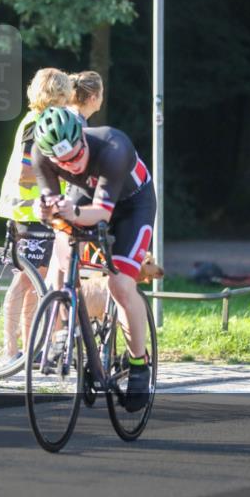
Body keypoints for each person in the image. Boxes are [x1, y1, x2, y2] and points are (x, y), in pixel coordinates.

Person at [31, 106, 156, 412]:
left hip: (131, 205)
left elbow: (102, 213)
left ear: (83, 139)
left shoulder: (114, 147)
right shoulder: (40, 154)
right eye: (63, 162)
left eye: (76, 156)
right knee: (62, 249)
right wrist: (44, 209)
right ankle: (63, 329)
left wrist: (69, 212)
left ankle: (139, 363)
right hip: (84, 196)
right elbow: (50, 204)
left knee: (120, 286)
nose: (72, 166)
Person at [0, 68, 73, 361]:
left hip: (38, 215)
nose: (67, 103)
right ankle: (10, 349)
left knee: (34, 283)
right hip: (27, 214)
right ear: (57, 95)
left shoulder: (41, 120)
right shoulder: (36, 123)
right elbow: (28, 171)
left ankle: (28, 349)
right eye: (65, 96)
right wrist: (62, 174)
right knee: (24, 282)